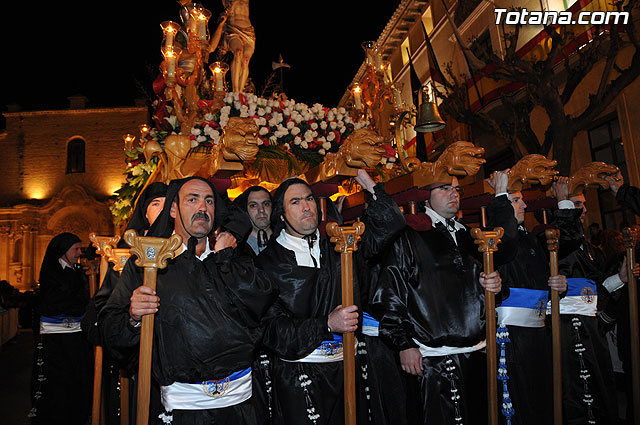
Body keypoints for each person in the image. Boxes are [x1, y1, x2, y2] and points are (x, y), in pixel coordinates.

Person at [100, 176, 277, 424]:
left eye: (209, 201)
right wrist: (133, 318)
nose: (202, 208)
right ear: (173, 209)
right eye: (192, 200)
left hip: (242, 406)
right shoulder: (148, 264)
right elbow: (110, 331)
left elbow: (261, 309)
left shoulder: (233, 257)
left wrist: (225, 259)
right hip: (184, 411)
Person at [256, 170, 405, 425]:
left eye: (310, 199)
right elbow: (271, 331)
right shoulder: (267, 264)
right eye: (295, 202)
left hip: (347, 370)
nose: (306, 207)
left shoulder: (341, 247)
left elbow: (391, 222)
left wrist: (364, 178)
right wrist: (326, 324)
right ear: (281, 215)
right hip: (298, 378)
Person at [371, 176, 503, 425]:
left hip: (475, 352)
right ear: (425, 196)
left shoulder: (471, 236)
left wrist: (495, 285)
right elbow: (390, 295)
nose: (454, 194)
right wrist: (403, 344)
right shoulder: (408, 237)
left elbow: (486, 286)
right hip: (430, 358)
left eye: (456, 189)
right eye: (444, 188)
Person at [549, 177, 636, 424]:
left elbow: (595, 290)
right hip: (570, 332)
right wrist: (563, 203)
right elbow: (566, 240)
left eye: (584, 205)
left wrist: (619, 278)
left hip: (592, 330)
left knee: (601, 389)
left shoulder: (591, 249)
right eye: (576, 204)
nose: (584, 210)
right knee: (579, 396)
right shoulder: (557, 242)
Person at [82, 181, 168, 424]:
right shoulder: (129, 258)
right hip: (142, 363)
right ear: (144, 213)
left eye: (168, 202)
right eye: (155, 203)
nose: (163, 209)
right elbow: (105, 314)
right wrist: (131, 317)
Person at [485, 170, 567, 425]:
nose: (524, 204)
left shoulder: (529, 238)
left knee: (543, 398)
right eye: (516, 199)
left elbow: (544, 277)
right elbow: (505, 241)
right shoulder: (494, 238)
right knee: (519, 403)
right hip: (511, 337)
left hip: (539, 334)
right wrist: (500, 196)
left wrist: (557, 286)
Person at [29, 232, 91, 425]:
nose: (80, 252)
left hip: (76, 336)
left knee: (76, 378)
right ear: (63, 251)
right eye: (76, 249)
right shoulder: (51, 271)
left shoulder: (79, 271)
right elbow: (55, 302)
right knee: (56, 382)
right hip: (53, 338)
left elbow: (80, 299)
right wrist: (77, 303)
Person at [222, 0, 255, 93]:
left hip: (248, 32)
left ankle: (240, 92)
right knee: (238, 52)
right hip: (233, 29)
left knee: (246, 60)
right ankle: (235, 90)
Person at [233, 185, 273, 255]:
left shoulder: (285, 239)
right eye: (253, 205)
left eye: (266, 204)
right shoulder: (236, 246)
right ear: (245, 210)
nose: (261, 210)